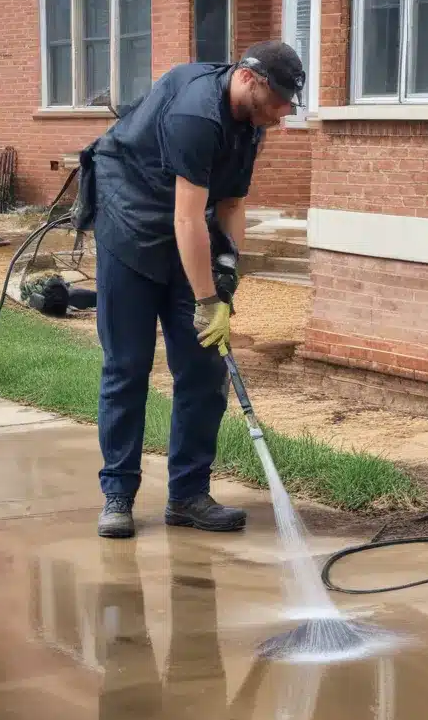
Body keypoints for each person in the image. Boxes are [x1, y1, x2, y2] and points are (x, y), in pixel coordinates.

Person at [90, 41, 306, 539]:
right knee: (127, 367)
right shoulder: (197, 114)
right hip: (130, 231)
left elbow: (229, 204)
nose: (285, 112)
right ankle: (118, 494)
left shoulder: (253, 124)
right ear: (250, 79)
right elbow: (187, 216)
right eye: (280, 100)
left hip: (185, 235)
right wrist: (206, 300)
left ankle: (187, 495)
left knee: (205, 367)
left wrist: (228, 274)